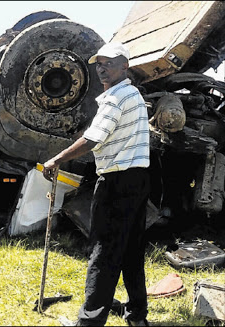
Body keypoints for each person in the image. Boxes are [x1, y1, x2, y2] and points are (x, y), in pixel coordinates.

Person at [42, 42, 150, 326]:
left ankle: (89, 321)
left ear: (124, 65)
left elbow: (94, 139)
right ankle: (136, 314)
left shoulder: (115, 98)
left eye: (108, 62)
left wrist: (57, 160)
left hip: (117, 181)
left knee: (104, 250)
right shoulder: (133, 94)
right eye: (98, 63)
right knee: (130, 248)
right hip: (137, 179)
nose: (101, 67)